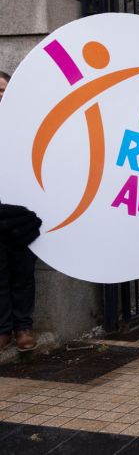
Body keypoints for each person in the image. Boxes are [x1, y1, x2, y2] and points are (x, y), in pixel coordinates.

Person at [0, 70, 39, 352]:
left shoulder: (27, 125)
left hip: (22, 213)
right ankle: (3, 330)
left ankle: (23, 328)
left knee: (23, 271)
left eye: (3, 90)